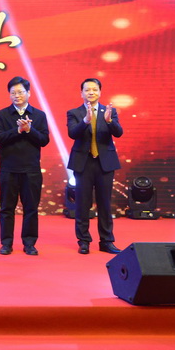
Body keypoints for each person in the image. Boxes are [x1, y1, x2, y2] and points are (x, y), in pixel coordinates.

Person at [0, 76, 50, 256]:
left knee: (31, 208)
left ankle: (29, 243)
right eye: (13, 93)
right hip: (8, 169)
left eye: (20, 92)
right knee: (6, 208)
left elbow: (44, 140)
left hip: (31, 170)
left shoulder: (39, 115)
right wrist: (17, 130)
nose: (17, 96)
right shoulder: (2, 115)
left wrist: (29, 130)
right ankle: (6, 243)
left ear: (29, 93)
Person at [66, 77, 123, 255]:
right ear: (81, 93)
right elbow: (72, 133)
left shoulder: (109, 112)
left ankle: (106, 241)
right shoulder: (74, 113)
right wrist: (85, 121)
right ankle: (84, 241)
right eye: (87, 90)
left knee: (104, 203)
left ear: (100, 92)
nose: (91, 92)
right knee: (82, 204)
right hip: (83, 163)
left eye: (94, 89)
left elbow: (119, 133)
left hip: (104, 163)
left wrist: (109, 121)